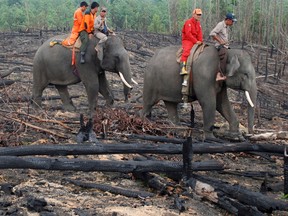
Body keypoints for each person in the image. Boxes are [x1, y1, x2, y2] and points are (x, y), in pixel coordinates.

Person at [209, 12, 237, 81]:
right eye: (232, 21)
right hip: (220, 46)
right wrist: (220, 41)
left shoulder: (226, 27)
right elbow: (212, 33)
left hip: (225, 46)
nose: (232, 23)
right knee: (224, 55)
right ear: (228, 20)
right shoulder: (220, 25)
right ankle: (219, 74)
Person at [180, 8, 203, 76]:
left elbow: (200, 34)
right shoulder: (188, 22)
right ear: (193, 15)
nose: (199, 16)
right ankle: (182, 68)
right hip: (188, 40)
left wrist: (200, 41)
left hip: (195, 40)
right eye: (198, 14)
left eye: (200, 15)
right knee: (186, 51)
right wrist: (196, 41)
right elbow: (188, 34)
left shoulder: (198, 24)